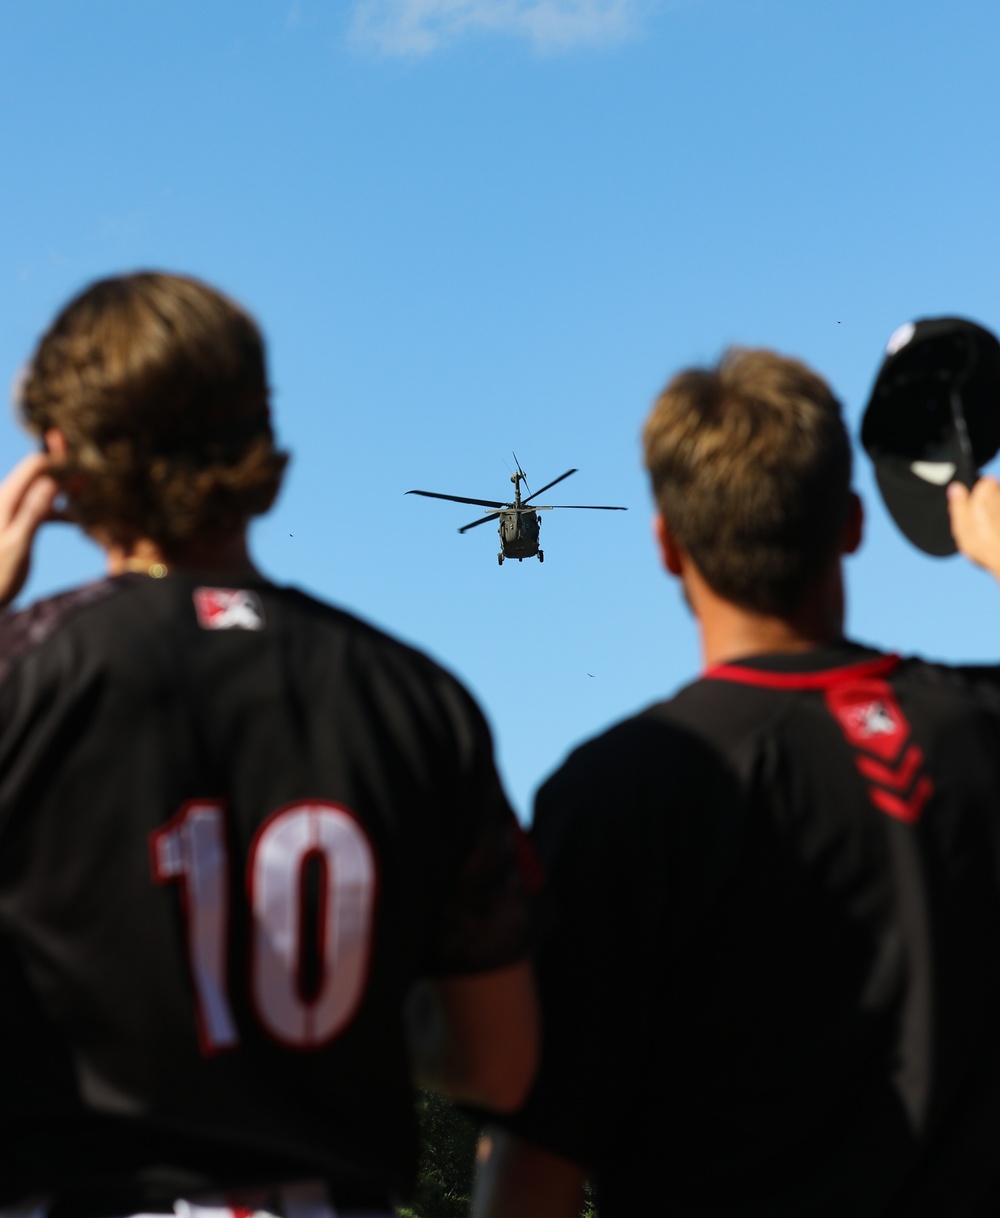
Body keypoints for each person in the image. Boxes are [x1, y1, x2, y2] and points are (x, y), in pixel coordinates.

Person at [0, 271, 538, 1218]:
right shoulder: (419, 701)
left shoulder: (26, 669)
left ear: (61, 460)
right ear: (256, 432)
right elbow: (500, 1064)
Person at [474, 346, 1000, 1218]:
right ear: (853, 526)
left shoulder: (617, 795)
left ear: (667, 547)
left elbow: (538, 1165)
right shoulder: (979, 729)